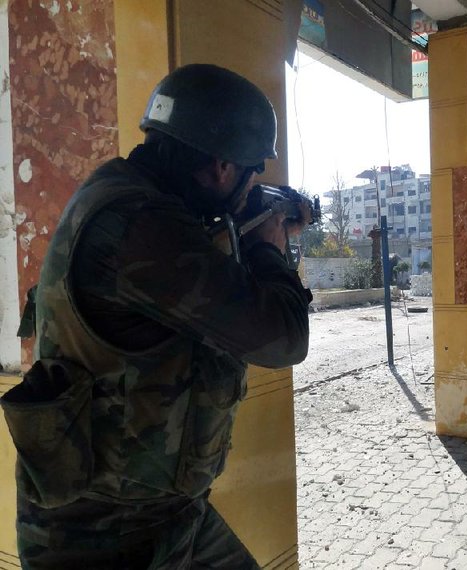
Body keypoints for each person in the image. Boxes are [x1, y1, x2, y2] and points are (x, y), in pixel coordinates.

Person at [2, 64, 312, 569]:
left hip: (164, 512)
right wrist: (268, 250)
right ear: (219, 168)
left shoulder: (130, 195)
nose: (255, 182)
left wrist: (245, 223)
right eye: (252, 170)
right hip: (101, 536)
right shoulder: (139, 226)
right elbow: (283, 338)